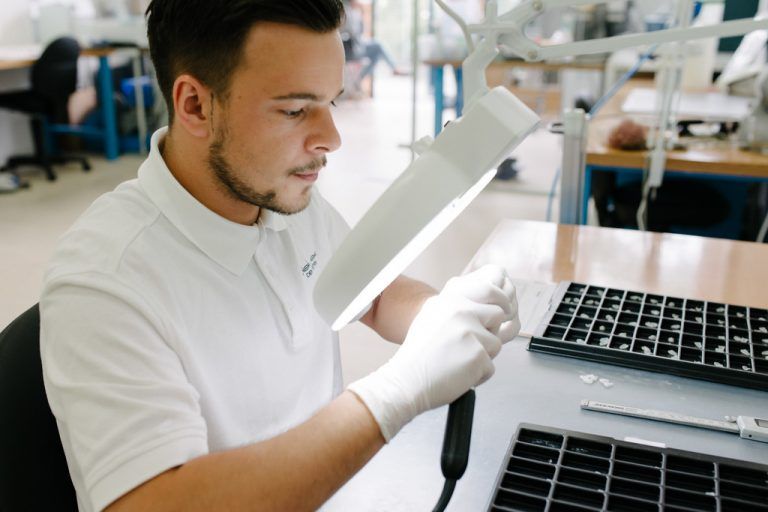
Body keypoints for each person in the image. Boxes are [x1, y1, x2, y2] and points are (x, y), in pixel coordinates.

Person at [39, 1, 521, 511]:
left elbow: (371, 294)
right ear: (196, 106)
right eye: (294, 110)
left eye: (330, 103)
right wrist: (394, 394)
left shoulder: (279, 195)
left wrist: (442, 317)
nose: (331, 139)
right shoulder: (105, 282)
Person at [342, 0, 408, 92]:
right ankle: (393, 68)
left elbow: (360, 33)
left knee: (376, 54)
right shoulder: (346, 12)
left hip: (357, 46)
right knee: (378, 45)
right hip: (349, 49)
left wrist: (362, 13)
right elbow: (350, 32)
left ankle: (359, 79)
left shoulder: (355, 12)